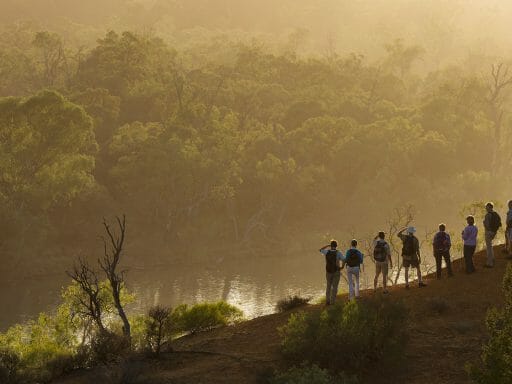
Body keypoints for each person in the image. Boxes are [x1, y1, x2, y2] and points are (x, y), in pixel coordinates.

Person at [319, 240, 343, 305]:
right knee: (335, 287)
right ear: (336, 246)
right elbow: (344, 259)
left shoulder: (326, 252)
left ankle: (327, 301)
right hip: (336, 271)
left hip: (328, 272)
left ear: (331, 246)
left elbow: (320, 249)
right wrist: (342, 267)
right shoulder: (338, 253)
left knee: (328, 286)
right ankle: (333, 302)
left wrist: (327, 245)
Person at [483, 202, 501, 267]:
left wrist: (485, 225)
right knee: (490, 246)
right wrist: (494, 231)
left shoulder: (488, 215)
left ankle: (489, 263)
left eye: (487, 207)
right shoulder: (496, 214)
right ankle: (492, 259)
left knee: (489, 247)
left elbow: (487, 225)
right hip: (494, 232)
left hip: (488, 232)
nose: (486, 208)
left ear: (489, 207)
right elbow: (499, 224)